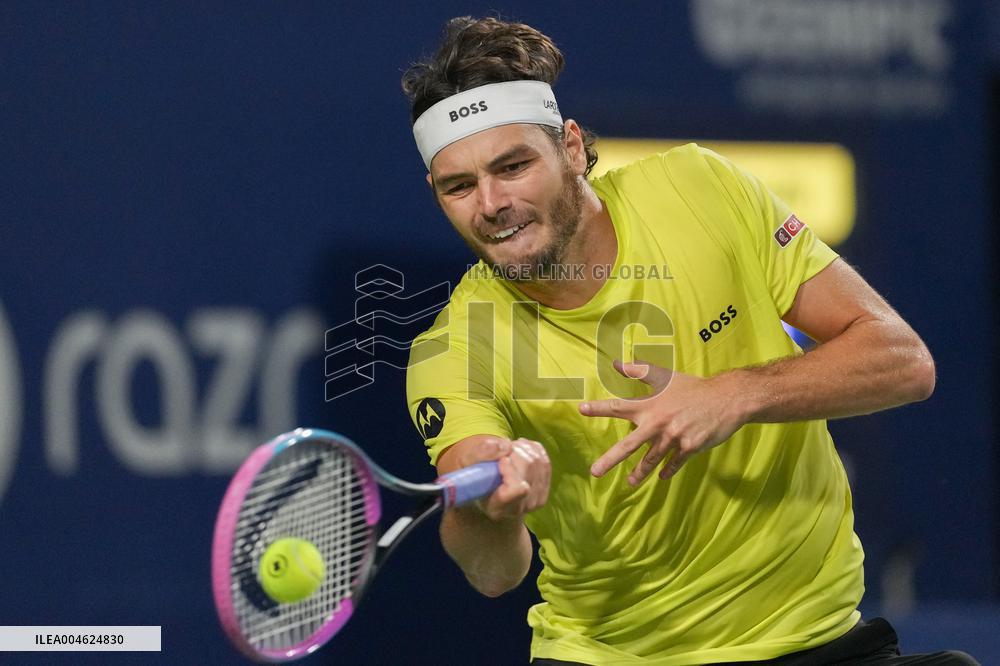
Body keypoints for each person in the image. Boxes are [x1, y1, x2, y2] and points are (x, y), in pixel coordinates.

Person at [401, 16, 977, 666]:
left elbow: (903, 361)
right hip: (618, 657)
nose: (490, 204)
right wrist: (494, 508)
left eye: (512, 166)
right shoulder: (452, 351)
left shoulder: (699, 188)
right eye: (459, 186)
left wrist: (732, 395)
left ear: (570, 148)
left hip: (818, 640)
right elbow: (492, 572)